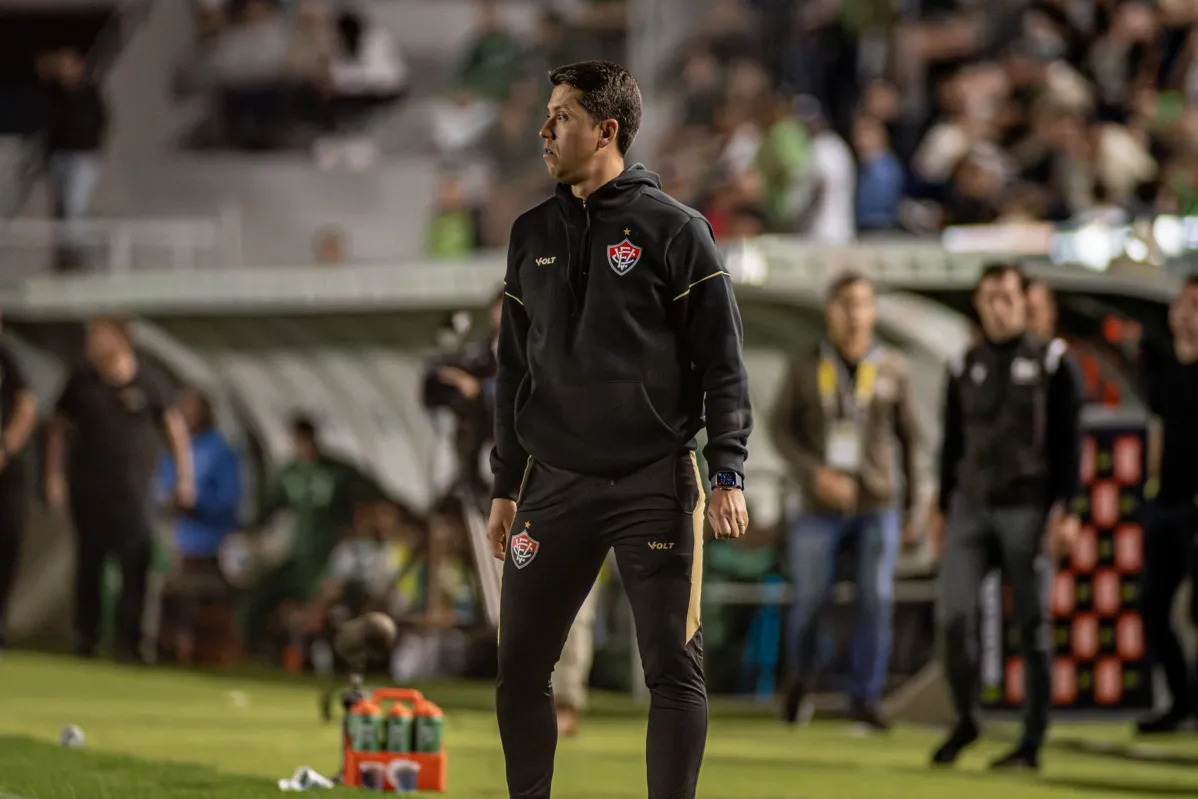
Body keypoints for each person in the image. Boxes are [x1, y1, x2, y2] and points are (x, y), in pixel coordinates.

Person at [487, 61, 752, 799]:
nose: (545, 130)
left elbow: (725, 363)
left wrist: (728, 469)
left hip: (654, 481)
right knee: (519, 670)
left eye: (562, 116)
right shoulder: (529, 233)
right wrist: (504, 486)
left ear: (606, 131)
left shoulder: (677, 230)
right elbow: (513, 373)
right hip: (555, 482)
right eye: (547, 114)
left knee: (671, 668)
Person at [931, 262, 1084, 770]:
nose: (998, 306)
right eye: (989, 296)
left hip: (1029, 505)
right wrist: (939, 506)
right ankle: (967, 720)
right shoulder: (963, 363)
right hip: (971, 504)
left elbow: (1069, 443)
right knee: (953, 616)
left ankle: (1031, 739)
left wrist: (1068, 509)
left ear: (1024, 302)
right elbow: (950, 443)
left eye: (1007, 297)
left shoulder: (1053, 362)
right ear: (978, 302)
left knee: (1032, 623)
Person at [770, 271, 924, 731]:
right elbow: (781, 430)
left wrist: (914, 505)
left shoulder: (894, 367)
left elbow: (911, 440)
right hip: (819, 505)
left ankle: (865, 700)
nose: (853, 314)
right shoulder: (804, 365)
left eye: (861, 304)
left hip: (877, 502)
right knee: (810, 599)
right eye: (844, 304)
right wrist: (812, 473)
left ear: (873, 311)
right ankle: (799, 685)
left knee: (876, 599)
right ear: (830, 311)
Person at [45, 318, 195, 662]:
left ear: (121, 340)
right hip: (89, 489)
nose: (91, 344)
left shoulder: (149, 383)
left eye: (98, 337)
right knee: (89, 565)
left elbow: (174, 429)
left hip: (136, 493)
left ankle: (132, 644)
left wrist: (185, 478)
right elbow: (57, 429)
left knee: (135, 567)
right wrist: (54, 476)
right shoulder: (81, 382)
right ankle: (87, 638)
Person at [238, 415, 381, 662]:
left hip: (329, 556)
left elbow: (373, 494)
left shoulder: (338, 472)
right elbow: (267, 510)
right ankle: (255, 653)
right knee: (258, 597)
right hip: (297, 555)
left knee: (323, 606)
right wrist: (245, 532)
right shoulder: (288, 473)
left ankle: (321, 659)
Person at [1136, 274, 1198, 733]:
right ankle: (1181, 699)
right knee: (1153, 605)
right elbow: (1158, 431)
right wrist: (1151, 488)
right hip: (1167, 502)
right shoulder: (1164, 369)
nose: (1185, 314)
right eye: (1183, 304)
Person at [155, 386, 243, 663]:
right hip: (180, 542)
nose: (185, 415)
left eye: (191, 409)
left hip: (213, 547)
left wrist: (197, 504)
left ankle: (206, 653)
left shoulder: (220, 451)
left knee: (197, 602)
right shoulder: (178, 450)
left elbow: (230, 497)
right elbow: (163, 488)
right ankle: (170, 652)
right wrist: (170, 502)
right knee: (168, 597)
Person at [0, 317, 40, 651]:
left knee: (8, 543)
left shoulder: (7, 360)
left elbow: (28, 404)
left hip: (9, 474)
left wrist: (6, 448)